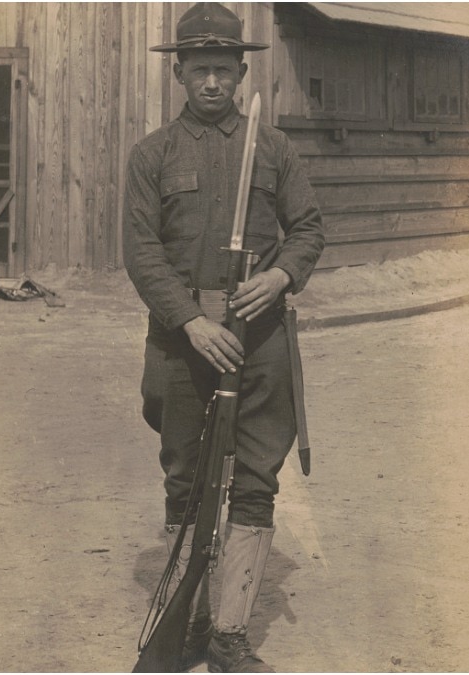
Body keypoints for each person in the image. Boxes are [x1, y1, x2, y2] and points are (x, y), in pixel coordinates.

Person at [122, 3, 325, 672]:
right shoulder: (151, 154)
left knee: (256, 478)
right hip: (184, 341)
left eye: (223, 70)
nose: (212, 82)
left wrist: (282, 277)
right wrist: (190, 320)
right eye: (198, 69)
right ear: (178, 73)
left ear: (241, 71)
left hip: (259, 337)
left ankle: (230, 633)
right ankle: (192, 619)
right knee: (187, 478)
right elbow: (142, 250)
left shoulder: (275, 148)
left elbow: (308, 230)